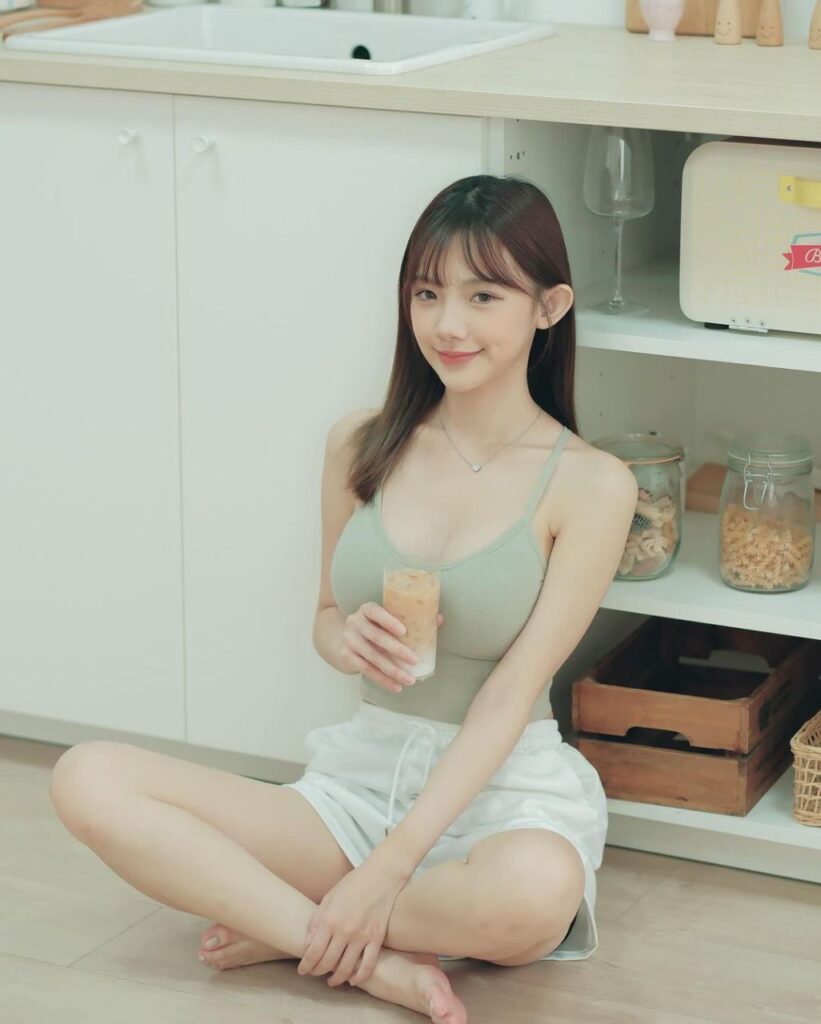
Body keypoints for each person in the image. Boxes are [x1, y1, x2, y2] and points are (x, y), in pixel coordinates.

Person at [48, 174, 638, 1024]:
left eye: (483, 296)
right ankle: (359, 954)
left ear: (549, 307)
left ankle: (294, 927)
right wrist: (343, 638)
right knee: (87, 777)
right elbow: (325, 620)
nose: (447, 324)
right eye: (427, 293)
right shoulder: (361, 443)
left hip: (502, 791)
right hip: (358, 784)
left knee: (536, 894)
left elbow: (512, 693)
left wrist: (388, 869)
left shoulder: (591, 484)